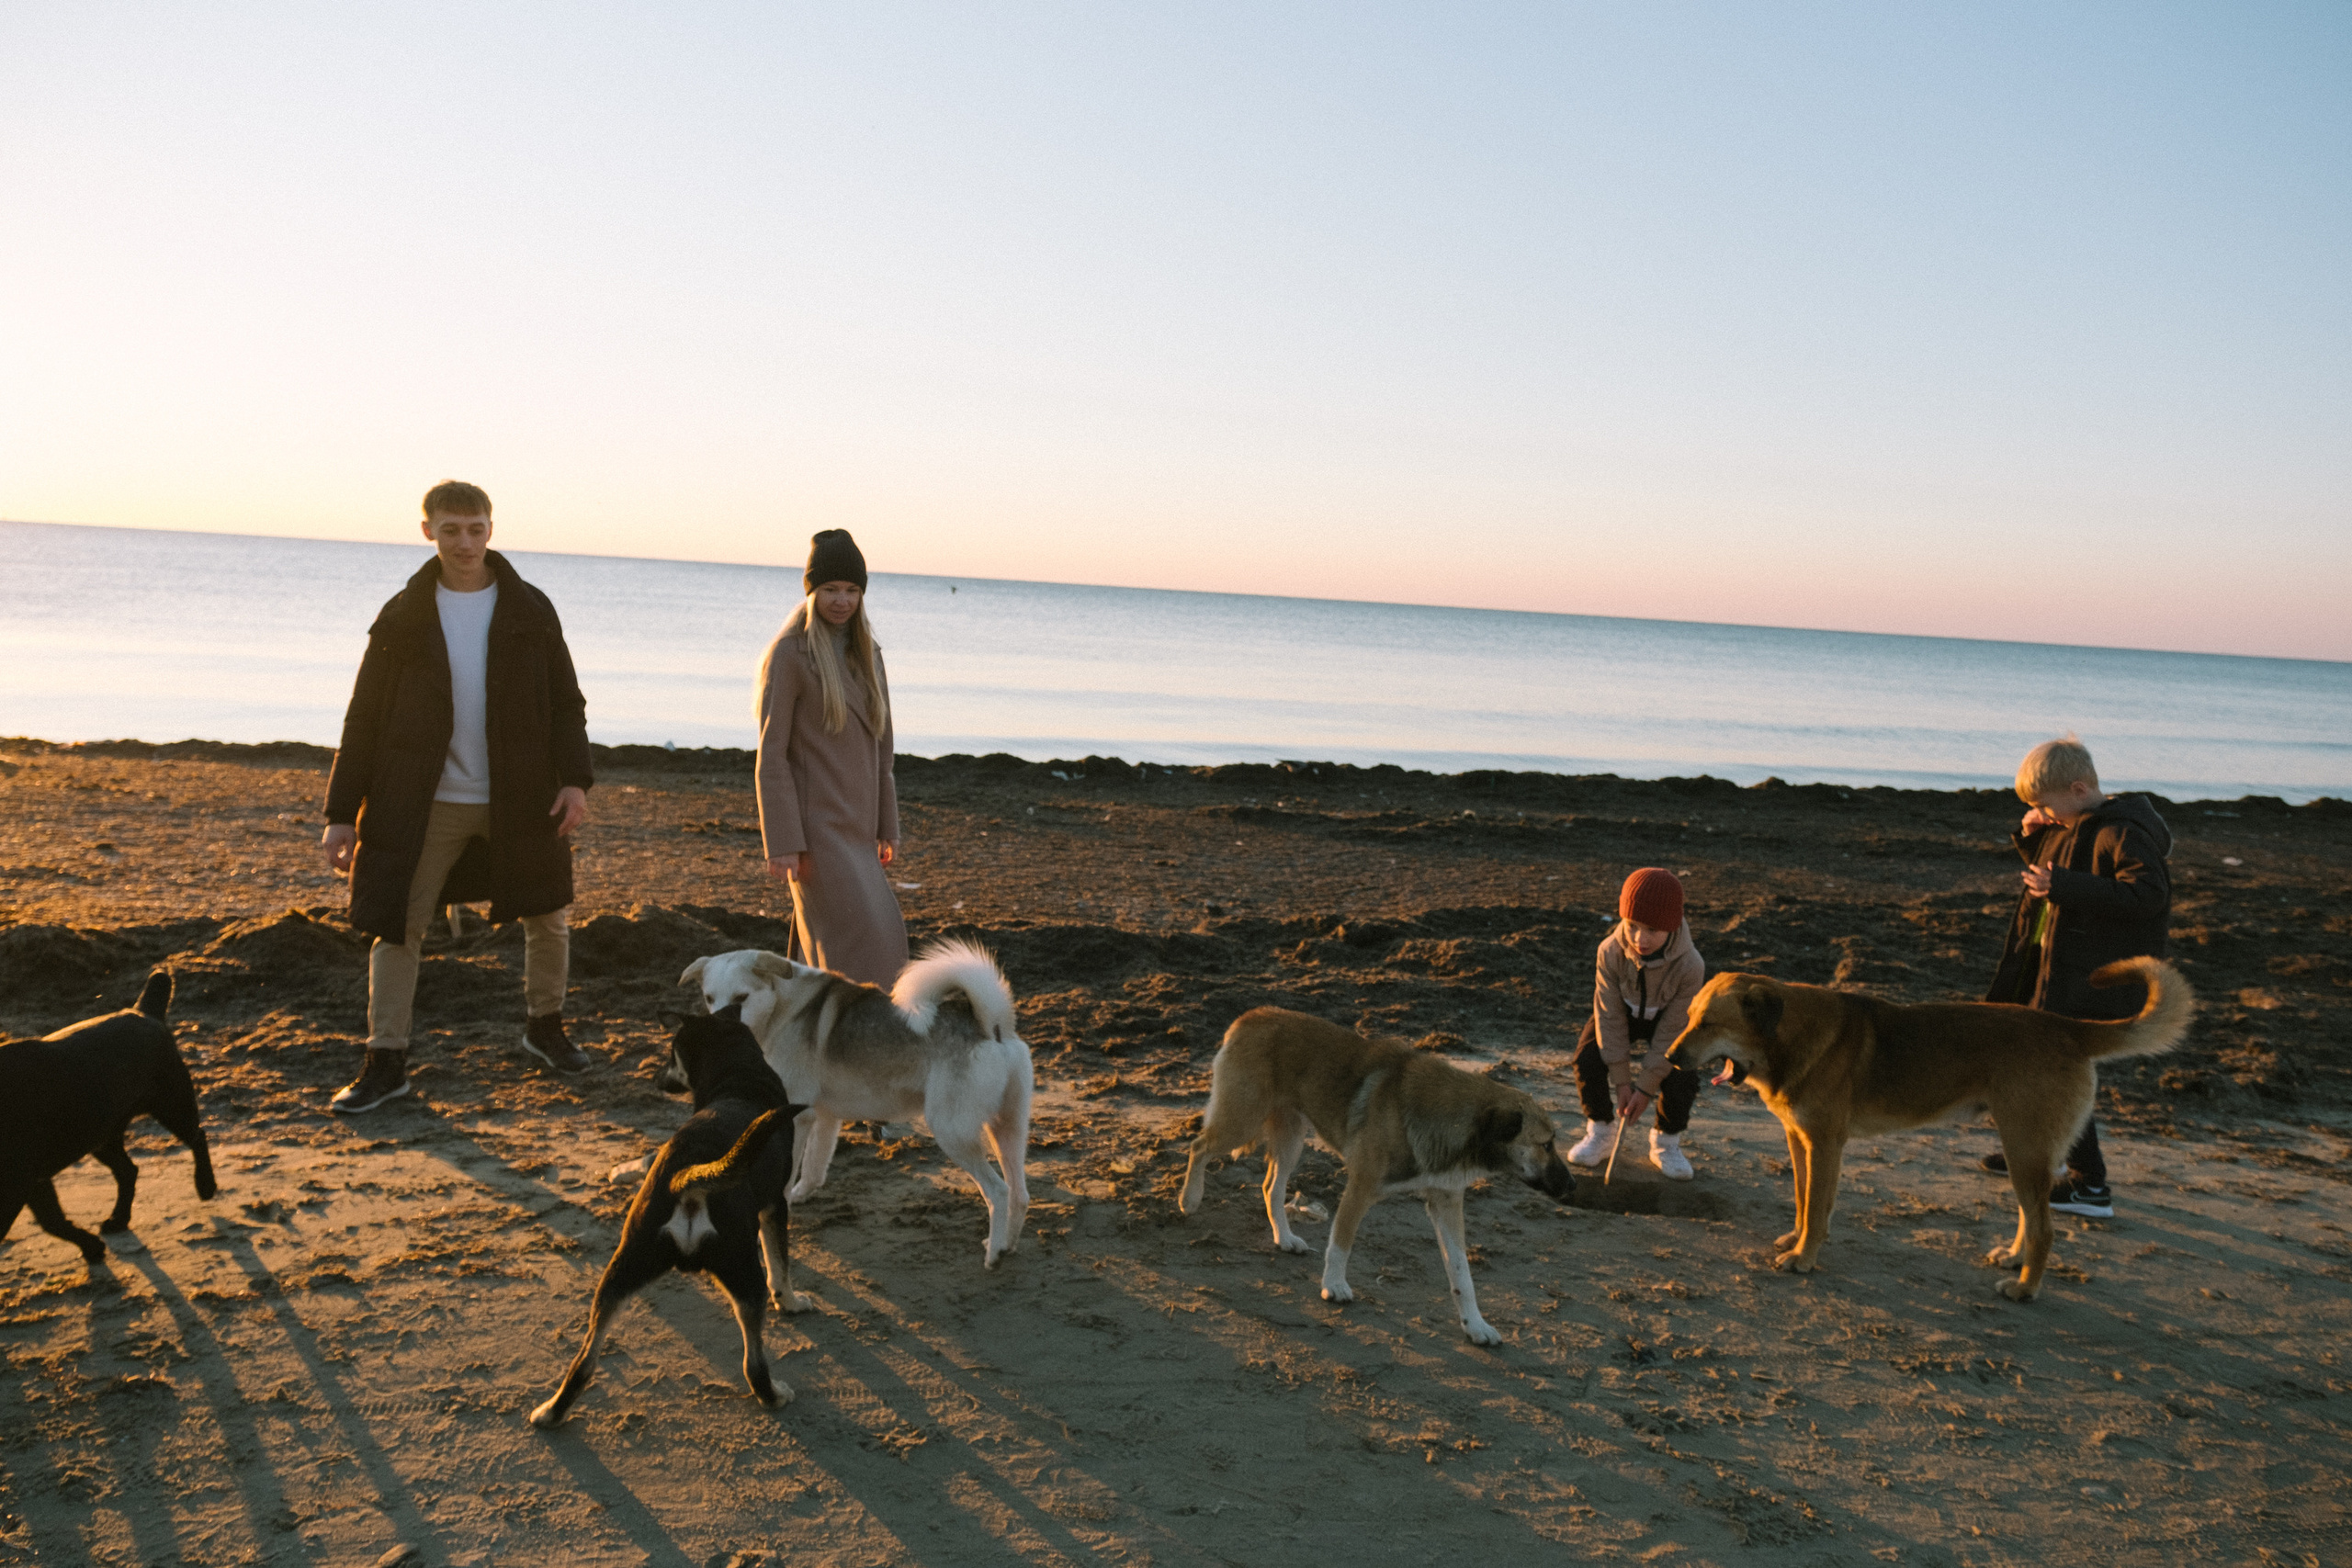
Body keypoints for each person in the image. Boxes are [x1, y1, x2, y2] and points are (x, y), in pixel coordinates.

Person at [321, 480, 594, 1114]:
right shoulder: (403, 614)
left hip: (521, 797)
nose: (465, 542)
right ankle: (385, 1061)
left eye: (475, 529)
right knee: (396, 924)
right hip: (424, 800)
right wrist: (341, 813)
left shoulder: (530, 608)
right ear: (428, 531)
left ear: (491, 529)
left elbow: (567, 705)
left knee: (549, 913)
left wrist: (575, 780)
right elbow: (363, 716)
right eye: (451, 530)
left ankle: (544, 1028)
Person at [1978, 736, 2172, 1218]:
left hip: (2085, 977)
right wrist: (2032, 836)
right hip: (2046, 967)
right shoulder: (2072, 822)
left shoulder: (2120, 832)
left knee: (2054, 1072)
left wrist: (2063, 885)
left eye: (2044, 804)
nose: (2042, 812)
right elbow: (2052, 872)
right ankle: (2038, 1153)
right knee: (2032, 1063)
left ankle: (2090, 1186)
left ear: (2079, 788)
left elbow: (2148, 894)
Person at [753, 529, 907, 985]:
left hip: (859, 829)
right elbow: (772, 754)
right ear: (812, 591)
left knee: (834, 946)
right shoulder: (791, 654)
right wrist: (781, 841)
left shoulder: (869, 654)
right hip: (815, 833)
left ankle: (807, 1044)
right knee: (863, 946)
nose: (841, 601)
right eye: (830, 590)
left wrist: (887, 826)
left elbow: (884, 751)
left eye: (851, 591)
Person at [1566, 868, 1707, 1179]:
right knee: (1588, 1057)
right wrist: (1622, 1083)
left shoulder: (1691, 965)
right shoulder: (1609, 952)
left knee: (1683, 1071)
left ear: (1670, 927)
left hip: (1666, 1020)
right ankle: (1601, 1132)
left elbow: (1673, 1031)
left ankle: (1665, 1142)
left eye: (1653, 930)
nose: (1640, 939)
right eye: (1632, 926)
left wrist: (1643, 1090)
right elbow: (1609, 1016)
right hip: (1624, 1013)